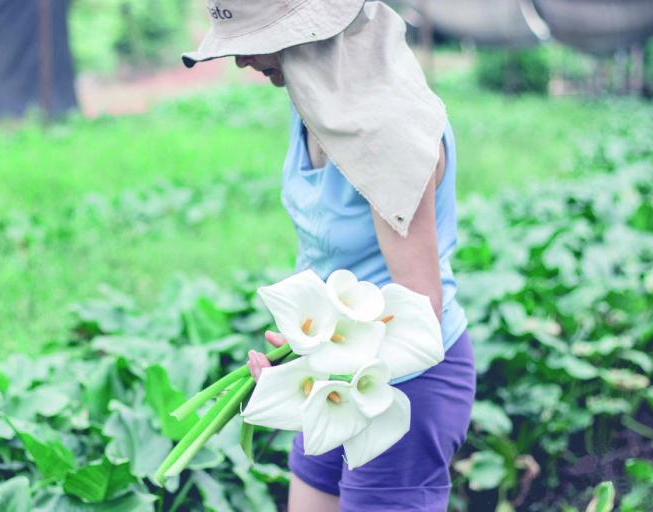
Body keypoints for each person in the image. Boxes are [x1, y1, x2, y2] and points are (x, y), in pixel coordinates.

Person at [183, 1, 476, 510]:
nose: (242, 63)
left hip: (396, 388)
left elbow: (418, 312)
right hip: (335, 372)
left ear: (317, 37)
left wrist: (313, 370)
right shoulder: (325, 114)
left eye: (254, 44)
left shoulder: (386, 134)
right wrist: (305, 358)